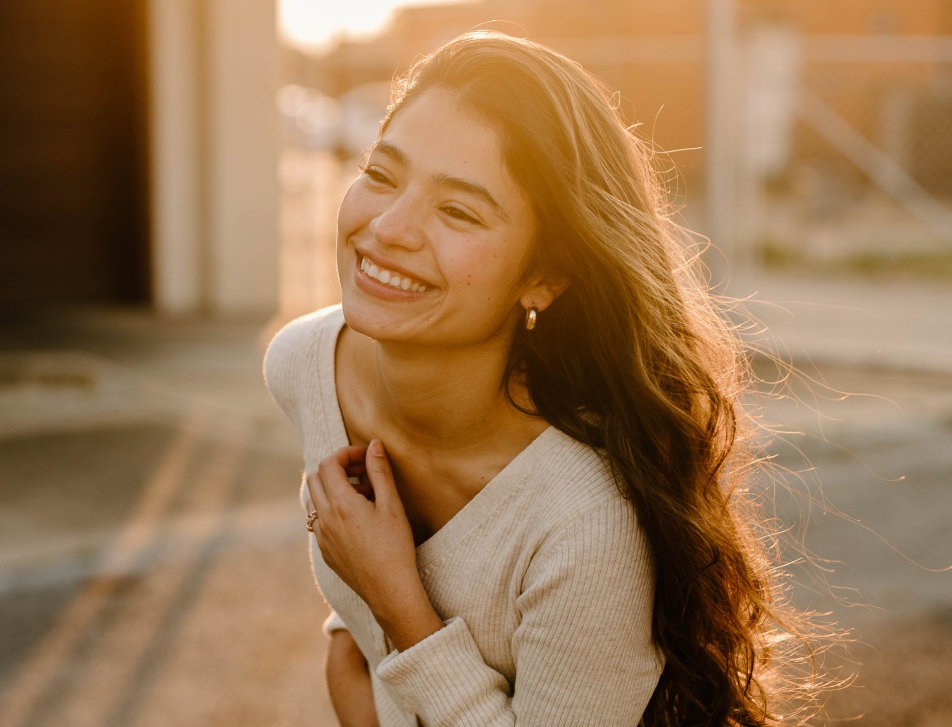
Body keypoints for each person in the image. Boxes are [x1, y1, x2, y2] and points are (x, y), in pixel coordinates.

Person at [266, 30, 812, 727]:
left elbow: (383, 614)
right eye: (382, 173)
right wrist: (353, 656)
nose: (390, 226)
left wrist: (398, 600)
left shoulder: (585, 524)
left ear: (544, 277)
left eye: (458, 210)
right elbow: (353, 644)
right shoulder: (305, 367)